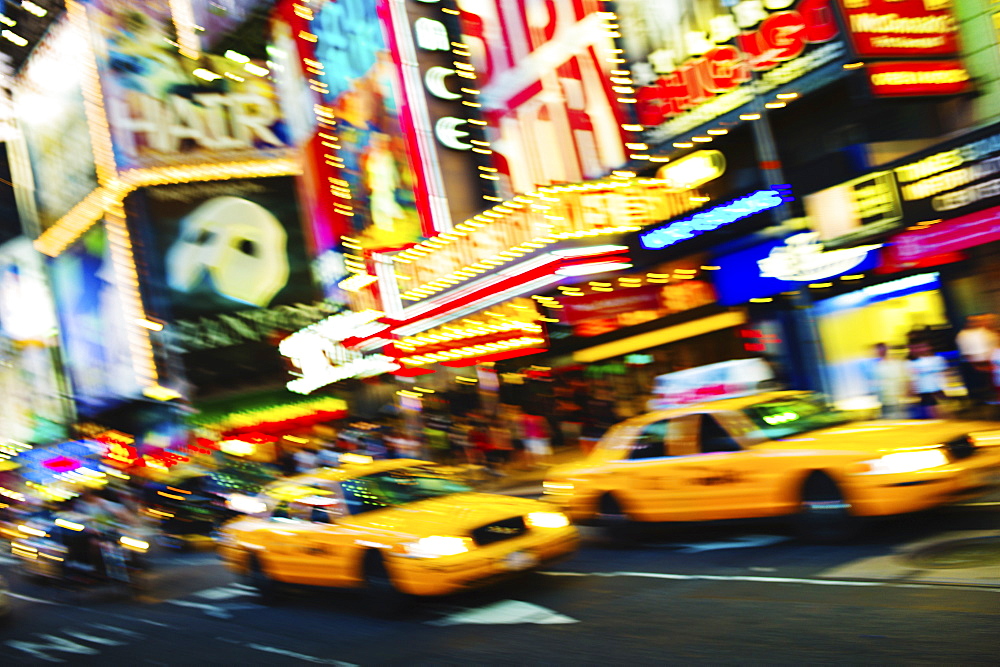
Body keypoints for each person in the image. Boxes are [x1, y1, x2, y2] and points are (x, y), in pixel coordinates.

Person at [955, 314, 999, 407]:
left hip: (989, 362)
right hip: (974, 364)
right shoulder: (964, 335)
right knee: (979, 388)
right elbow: (967, 353)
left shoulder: (987, 333)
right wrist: (978, 365)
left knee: (990, 385)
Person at [908, 341, 948, 419]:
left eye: (923, 347)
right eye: (918, 348)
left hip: (938, 391)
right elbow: (912, 380)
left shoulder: (937, 359)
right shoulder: (912, 363)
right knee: (932, 415)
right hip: (925, 393)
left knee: (943, 414)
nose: (921, 350)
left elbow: (943, 375)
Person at [870, 343, 909, 419]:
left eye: (882, 349)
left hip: (896, 397)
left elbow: (903, 379)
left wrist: (904, 391)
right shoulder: (876, 365)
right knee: (888, 418)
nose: (880, 352)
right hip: (884, 398)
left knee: (899, 418)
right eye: (878, 350)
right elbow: (876, 382)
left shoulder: (896, 363)